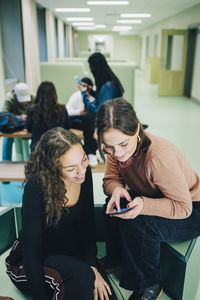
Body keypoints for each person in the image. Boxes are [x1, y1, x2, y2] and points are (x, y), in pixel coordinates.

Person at [96, 98, 200, 300]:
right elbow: (110, 179)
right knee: (111, 207)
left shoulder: (159, 158)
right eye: (109, 147)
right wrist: (116, 188)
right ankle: (115, 259)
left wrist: (144, 205)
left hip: (191, 207)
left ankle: (149, 284)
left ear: (136, 130)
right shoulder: (115, 147)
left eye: (123, 144)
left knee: (141, 224)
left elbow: (183, 207)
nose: (117, 153)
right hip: (157, 196)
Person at [5, 127, 116, 300]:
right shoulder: (36, 188)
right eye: (71, 168)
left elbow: (88, 226)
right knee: (83, 279)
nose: (81, 171)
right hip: (31, 263)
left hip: (69, 257)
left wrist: (93, 267)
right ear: (53, 167)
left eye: (84, 160)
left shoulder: (82, 176)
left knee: (104, 294)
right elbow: (31, 253)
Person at [78, 52, 124, 168]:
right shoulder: (110, 82)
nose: (90, 69)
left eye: (90, 67)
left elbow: (97, 110)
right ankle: (90, 150)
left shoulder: (107, 86)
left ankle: (91, 152)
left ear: (95, 68)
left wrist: (84, 93)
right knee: (83, 118)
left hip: (108, 118)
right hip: (111, 115)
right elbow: (102, 98)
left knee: (87, 118)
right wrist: (90, 91)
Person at [26, 81, 71, 151]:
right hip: (57, 147)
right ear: (54, 94)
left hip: (37, 148)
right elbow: (67, 128)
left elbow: (29, 128)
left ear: (39, 94)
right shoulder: (62, 109)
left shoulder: (31, 110)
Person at [2, 82, 34, 161]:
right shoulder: (9, 99)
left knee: (36, 135)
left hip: (27, 123)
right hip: (13, 124)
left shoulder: (32, 97)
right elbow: (3, 115)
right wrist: (19, 118)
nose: (24, 102)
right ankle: (6, 160)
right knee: (7, 136)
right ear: (15, 95)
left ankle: (33, 160)